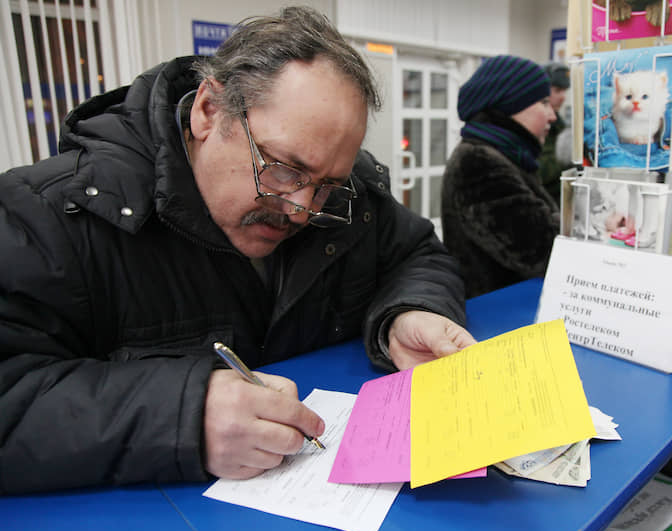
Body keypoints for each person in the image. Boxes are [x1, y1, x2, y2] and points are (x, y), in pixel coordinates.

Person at [0, 6, 475, 495]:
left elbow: (418, 253)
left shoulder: (346, 198)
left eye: (327, 186)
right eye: (284, 169)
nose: (300, 209)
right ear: (209, 110)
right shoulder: (45, 217)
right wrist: (182, 415)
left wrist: (408, 312)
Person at [441, 55, 561, 298]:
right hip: (497, 319)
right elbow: (538, 250)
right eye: (544, 103)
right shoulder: (478, 163)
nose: (553, 116)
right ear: (511, 105)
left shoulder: (506, 156)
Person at [538, 62, 572, 203]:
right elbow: (540, 172)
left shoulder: (559, 123)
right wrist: (566, 159)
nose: (563, 97)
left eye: (565, 91)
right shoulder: (537, 124)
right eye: (557, 90)